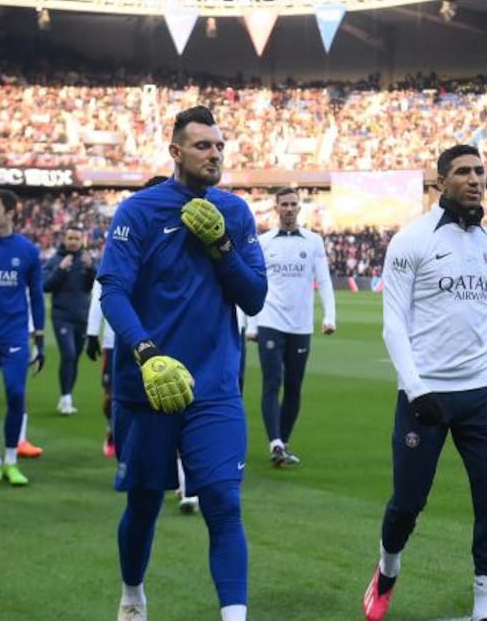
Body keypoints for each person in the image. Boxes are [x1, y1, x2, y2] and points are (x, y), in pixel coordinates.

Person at [363, 145, 487, 621]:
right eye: (463, 172)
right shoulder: (411, 240)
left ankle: (484, 609)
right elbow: (393, 325)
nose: (475, 179)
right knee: (407, 504)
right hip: (423, 397)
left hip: (482, 395)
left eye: (480, 172)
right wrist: (416, 388)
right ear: (439, 181)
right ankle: (387, 568)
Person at [98, 105, 266, 621]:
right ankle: (132, 597)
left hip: (214, 385)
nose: (214, 154)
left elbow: (255, 297)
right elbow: (114, 293)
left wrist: (220, 245)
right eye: (202, 146)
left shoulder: (234, 213)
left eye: (219, 146)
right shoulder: (138, 212)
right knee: (145, 504)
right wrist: (145, 353)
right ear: (175, 152)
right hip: (147, 385)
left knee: (223, 501)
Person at [245, 187, 336, 467]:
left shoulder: (313, 241)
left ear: (299, 208)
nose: (288, 208)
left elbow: (324, 280)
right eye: (283, 204)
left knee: (295, 385)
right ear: (276, 208)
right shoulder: (263, 242)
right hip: (270, 321)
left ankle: (282, 443)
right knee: (272, 382)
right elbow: (252, 282)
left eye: (293, 204)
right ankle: (274, 441)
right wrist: (252, 323)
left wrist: (330, 316)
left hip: (301, 325)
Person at [0, 189, 46, 486]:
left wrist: (39, 337)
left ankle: (12, 459)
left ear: (11, 213)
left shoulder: (28, 251)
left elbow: (37, 295)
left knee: (16, 393)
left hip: (15, 332)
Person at [44, 224, 96, 415]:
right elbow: (44, 286)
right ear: (64, 240)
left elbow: (96, 284)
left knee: (74, 360)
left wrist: (91, 268)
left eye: (76, 238)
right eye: (70, 238)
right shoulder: (56, 260)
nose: (73, 242)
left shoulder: (87, 260)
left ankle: (67, 396)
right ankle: (65, 398)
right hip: (62, 317)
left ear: (82, 240)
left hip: (82, 317)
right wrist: (60, 269)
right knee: (69, 355)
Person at [86, 279, 116, 458]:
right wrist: (92, 333)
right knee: (111, 395)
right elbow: (98, 297)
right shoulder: (113, 258)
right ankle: (111, 429)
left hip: (147, 339)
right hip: (113, 342)